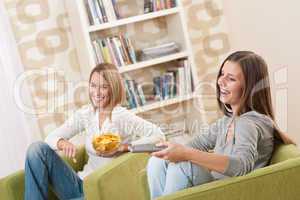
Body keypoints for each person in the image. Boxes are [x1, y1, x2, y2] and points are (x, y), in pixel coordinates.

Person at [147, 51, 295, 199]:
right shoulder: (228, 121)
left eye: (231, 79)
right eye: (222, 74)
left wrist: (186, 154)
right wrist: (169, 149)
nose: (220, 81)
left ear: (250, 87)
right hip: (217, 185)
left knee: (184, 166)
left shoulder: (249, 123)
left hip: (229, 192)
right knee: (158, 160)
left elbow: (241, 166)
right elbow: (196, 144)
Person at [25, 63, 165, 200]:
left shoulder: (121, 116)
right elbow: (50, 138)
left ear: (113, 89)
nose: (96, 93)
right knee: (36, 149)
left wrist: (125, 147)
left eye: (103, 87)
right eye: (93, 86)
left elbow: (158, 136)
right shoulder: (87, 113)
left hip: (100, 191)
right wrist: (62, 143)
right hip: (79, 184)